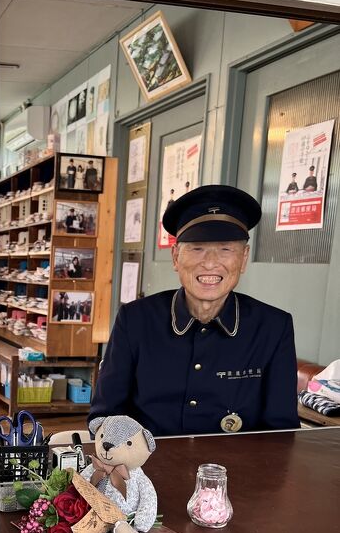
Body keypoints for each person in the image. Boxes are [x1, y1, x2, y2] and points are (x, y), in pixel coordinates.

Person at [89, 184, 299, 436]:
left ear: (243, 258)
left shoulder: (274, 327)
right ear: (176, 257)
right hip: (145, 470)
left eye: (225, 249)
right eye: (197, 248)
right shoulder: (135, 320)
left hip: (240, 472)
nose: (210, 263)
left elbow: (282, 433)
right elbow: (105, 415)